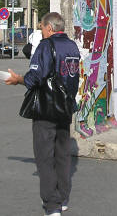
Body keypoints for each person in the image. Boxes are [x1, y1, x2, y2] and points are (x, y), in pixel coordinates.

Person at [6, 12, 80, 216]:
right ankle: (63, 198)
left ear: (49, 28)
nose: (41, 31)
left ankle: (52, 205)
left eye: (41, 28)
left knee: (44, 157)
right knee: (63, 154)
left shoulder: (47, 46)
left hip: (47, 108)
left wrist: (17, 79)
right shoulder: (73, 47)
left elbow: (35, 77)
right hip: (65, 108)